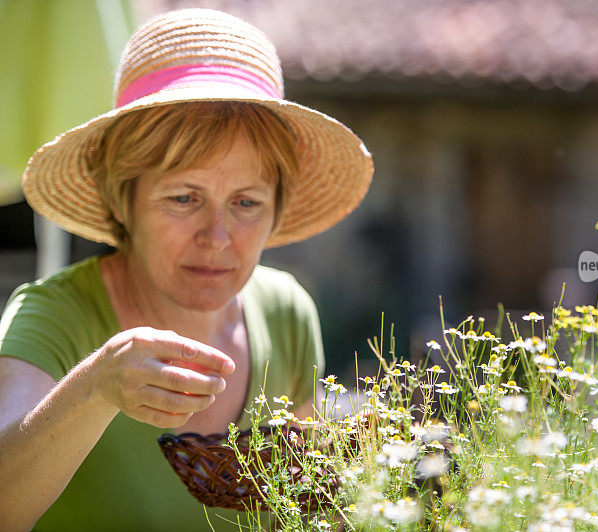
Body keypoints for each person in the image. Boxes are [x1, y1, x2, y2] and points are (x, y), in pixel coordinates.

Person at [0, 8, 372, 531]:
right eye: (183, 197)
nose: (216, 236)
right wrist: (95, 389)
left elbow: (309, 507)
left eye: (246, 203)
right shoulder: (54, 314)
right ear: (122, 199)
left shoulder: (287, 311)